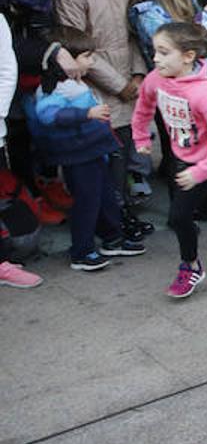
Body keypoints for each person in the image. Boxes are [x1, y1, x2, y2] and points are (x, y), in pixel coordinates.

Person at [50, 0, 153, 232]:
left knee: (123, 155)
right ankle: (107, 222)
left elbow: (130, 33)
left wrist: (136, 74)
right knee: (101, 161)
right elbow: (77, 46)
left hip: (126, 84)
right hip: (94, 90)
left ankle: (120, 214)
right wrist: (119, 84)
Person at [131, 23, 207, 298]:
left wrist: (201, 171)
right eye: (155, 51)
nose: (155, 59)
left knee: (179, 217)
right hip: (182, 158)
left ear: (188, 56)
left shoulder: (204, 94)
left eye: (164, 52)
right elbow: (143, 108)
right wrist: (141, 138)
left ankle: (191, 266)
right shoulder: (155, 79)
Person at [27, 28, 146, 270]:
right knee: (87, 202)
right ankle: (82, 251)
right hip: (78, 153)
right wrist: (86, 113)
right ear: (67, 60)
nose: (92, 61)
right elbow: (47, 114)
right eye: (87, 56)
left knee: (104, 196)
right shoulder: (55, 88)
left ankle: (111, 238)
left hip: (92, 149)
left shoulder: (74, 83)